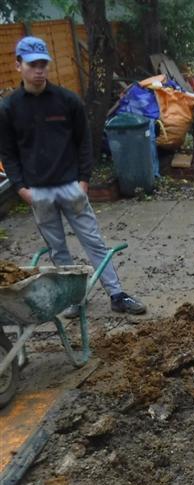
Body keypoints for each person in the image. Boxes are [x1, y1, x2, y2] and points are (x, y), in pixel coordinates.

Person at [0, 36, 146, 316]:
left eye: (43, 64)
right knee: (57, 249)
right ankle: (73, 300)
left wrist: (83, 181)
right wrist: (21, 189)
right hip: (38, 192)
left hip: (71, 187)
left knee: (94, 242)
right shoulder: (9, 109)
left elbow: (84, 143)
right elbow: (8, 154)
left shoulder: (67, 101)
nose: (39, 70)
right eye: (32, 65)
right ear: (18, 65)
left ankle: (117, 295)